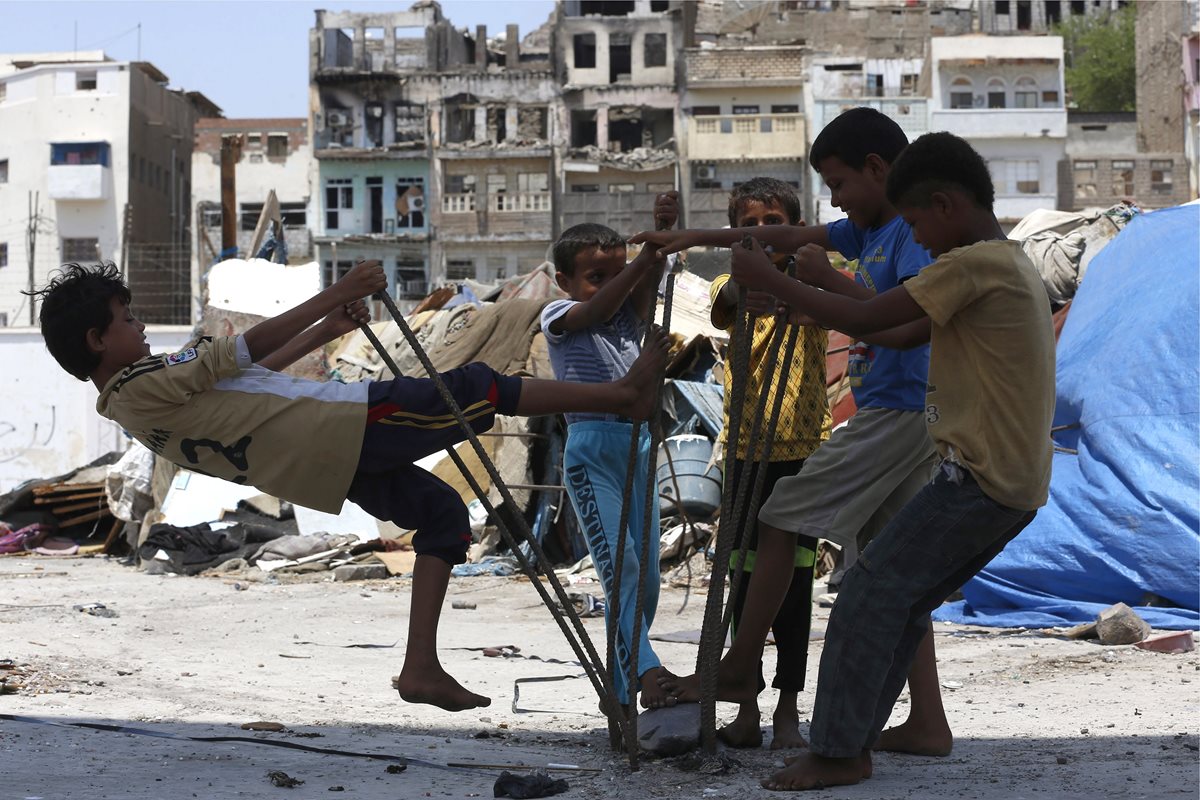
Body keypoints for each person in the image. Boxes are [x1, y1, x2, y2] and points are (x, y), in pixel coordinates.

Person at [30, 260, 669, 714]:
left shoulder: (134, 397)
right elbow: (241, 349)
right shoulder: (142, 384)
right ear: (96, 340)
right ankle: (620, 396)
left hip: (324, 457)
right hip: (340, 427)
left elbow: (241, 378)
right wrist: (337, 290)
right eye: (126, 318)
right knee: (474, 386)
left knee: (442, 514)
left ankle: (420, 665)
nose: (138, 325)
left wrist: (326, 330)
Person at [731, 130, 1056, 790]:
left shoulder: (969, 265)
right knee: (899, 599)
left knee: (868, 593)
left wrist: (773, 282)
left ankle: (838, 750)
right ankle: (873, 736)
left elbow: (880, 319)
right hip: (1009, 482)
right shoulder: (1006, 261)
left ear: (946, 205)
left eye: (916, 224)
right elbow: (894, 326)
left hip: (979, 477)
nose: (918, 240)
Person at [639, 107, 948, 756]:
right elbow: (795, 238)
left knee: (780, 519)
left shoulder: (907, 235)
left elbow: (900, 320)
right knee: (896, 571)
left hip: (899, 411)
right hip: (895, 414)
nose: (834, 201)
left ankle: (739, 663)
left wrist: (807, 280)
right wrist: (688, 237)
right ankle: (928, 722)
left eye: (838, 185)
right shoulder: (873, 233)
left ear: (877, 170)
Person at [540, 193, 679, 711]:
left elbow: (639, 290)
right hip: (594, 444)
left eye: (613, 273)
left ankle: (619, 690)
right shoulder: (558, 314)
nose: (608, 287)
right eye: (596, 275)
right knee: (619, 567)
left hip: (637, 443)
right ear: (565, 283)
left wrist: (660, 239)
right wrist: (641, 261)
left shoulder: (628, 316)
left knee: (644, 579)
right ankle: (646, 671)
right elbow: (597, 306)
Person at [706, 177, 831, 750]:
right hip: (743, 448)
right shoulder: (729, 285)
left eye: (773, 220)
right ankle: (746, 706)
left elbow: (826, 294)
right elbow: (727, 308)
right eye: (749, 224)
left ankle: (787, 707)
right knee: (743, 578)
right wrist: (748, 286)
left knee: (796, 582)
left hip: (802, 448)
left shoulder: (810, 274)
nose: (761, 233)